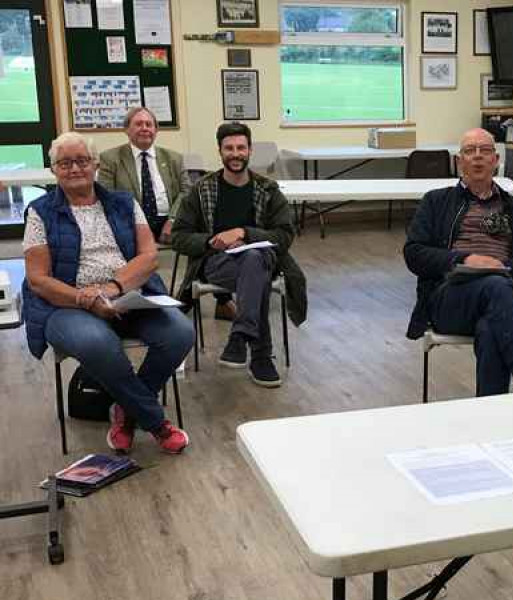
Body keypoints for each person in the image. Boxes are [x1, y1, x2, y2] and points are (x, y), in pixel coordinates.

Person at [21, 132, 193, 454]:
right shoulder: (39, 212)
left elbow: (149, 257)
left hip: (129, 294)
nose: (74, 168)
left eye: (82, 161)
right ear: (53, 169)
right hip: (67, 305)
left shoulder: (124, 203)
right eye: (64, 162)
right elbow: (38, 280)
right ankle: (156, 423)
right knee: (97, 343)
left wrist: (112, 289)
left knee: (180, 333)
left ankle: (125, 411)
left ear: (96, 165)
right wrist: (85, 298)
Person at [404, 128, 513, 397]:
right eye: (470, 151)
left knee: (491, 327)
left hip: (508, 297)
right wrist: (465, 259)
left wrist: (503, 268)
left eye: (485, 150)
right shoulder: (436, 201)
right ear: (459, 162)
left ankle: (491, 415)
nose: (477, 157)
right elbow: (414, 253)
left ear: (496, 161)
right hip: (451, 298)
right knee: (494, 287)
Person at [172, 122, 307, 388]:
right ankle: (260, 356)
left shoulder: (268, 190)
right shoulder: (201, 190)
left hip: (261, 259)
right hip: (217, 263)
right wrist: (213, 240)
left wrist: (244, 233)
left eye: (241, 147)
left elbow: (284, 236)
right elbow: (179, 237)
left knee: (254, 261)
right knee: (256, 271)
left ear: (250, 150)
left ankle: (241, 337)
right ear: (220, 151)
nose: (235, 153)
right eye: (229, 148)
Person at [98, 107, 237, 321]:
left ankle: (216, 299)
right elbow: (105, 197)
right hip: (132, 224)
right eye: (138, 124)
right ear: (127, 129)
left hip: (169, 220)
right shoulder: (111, 158)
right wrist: (138, 224)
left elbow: (186, 192)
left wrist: (173, 219)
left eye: (149, 124)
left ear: (156, 129)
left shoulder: (172, 157)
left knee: (206, 237)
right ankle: (149, 302)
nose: (145, 128)